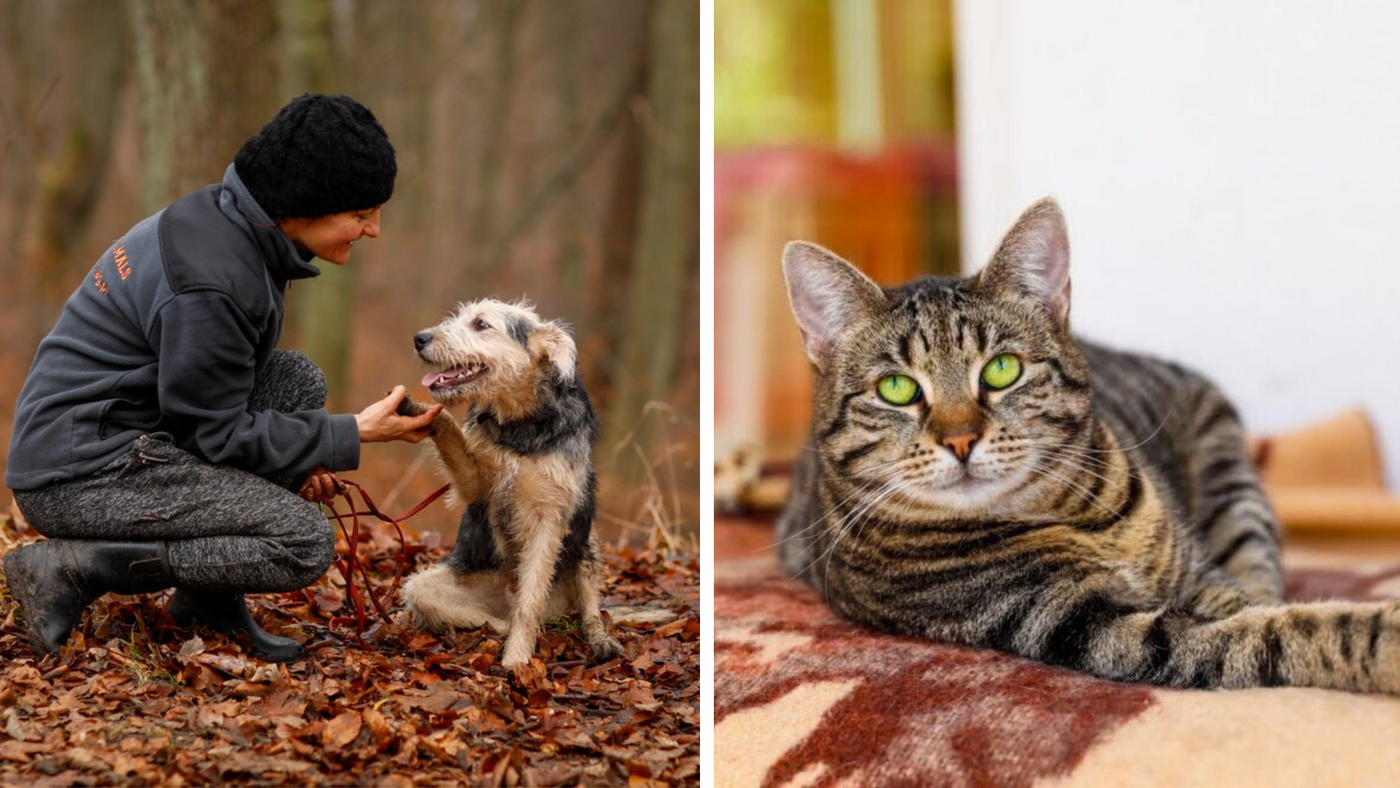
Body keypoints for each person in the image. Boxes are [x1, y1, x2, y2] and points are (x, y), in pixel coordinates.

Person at [3, 93, 441, 663]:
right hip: (79, 475)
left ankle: (206, 602)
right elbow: (215, 437)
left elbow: (208, 411)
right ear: (306, 206)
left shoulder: (228, 221)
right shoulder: (214, 281)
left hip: (131, 432)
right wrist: (352, 434)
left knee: (295, 381)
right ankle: (78, 567)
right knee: (301, 544)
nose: (374, 229)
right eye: (361, 213)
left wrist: (302, 451)